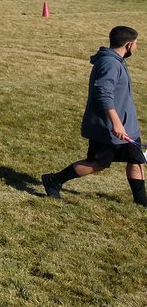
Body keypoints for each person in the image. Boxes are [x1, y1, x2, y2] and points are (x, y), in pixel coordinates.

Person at [42, 27, 145, 207]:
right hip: (109, 128)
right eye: (136, 43)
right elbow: (103, 93)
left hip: (127, 126)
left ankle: (141, 200)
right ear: (128, 45)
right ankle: (54, 180)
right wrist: (116, 123)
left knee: (136, 159)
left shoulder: (116, 60)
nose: (137, 47)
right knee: (97, 163)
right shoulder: (110, 63)